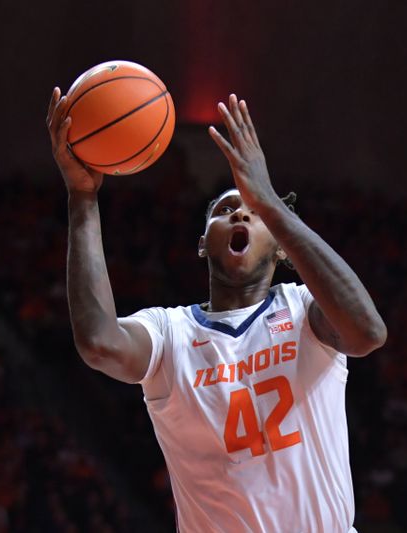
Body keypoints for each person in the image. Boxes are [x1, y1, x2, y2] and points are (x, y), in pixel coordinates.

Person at [46, 89, 387, 532]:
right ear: (204, 242)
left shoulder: (305, 310)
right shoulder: (169, 332)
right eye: (227, 210)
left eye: (254, 213)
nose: (242, 216)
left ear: (281, 245)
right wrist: (82, 197)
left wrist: (268, 200)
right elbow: (98, 343)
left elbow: (367, 333)